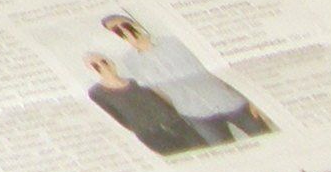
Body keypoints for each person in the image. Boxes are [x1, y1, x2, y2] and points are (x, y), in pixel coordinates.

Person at [101, 14, 268, 143]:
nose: (124, 31)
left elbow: (224, 66)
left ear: (136, 24)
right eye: (117, 30)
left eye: (125, 25)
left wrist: (253, 98)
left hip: (234, 103)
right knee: (227, 156)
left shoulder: (175, 42)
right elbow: (156, 91)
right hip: (196, 115)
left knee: (265, 138)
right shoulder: (130, 61)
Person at [83, 50, 203, 154]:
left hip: (178, 125)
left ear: (111, 62)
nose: (103, 67)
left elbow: (164, 99)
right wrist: (142, 128)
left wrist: (176, 117)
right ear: (90, 70)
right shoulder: (96, 93)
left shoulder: (136, 80)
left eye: (104, 61)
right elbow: (117, 118)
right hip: (152, 136)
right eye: (95, 66)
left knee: (202, 149)